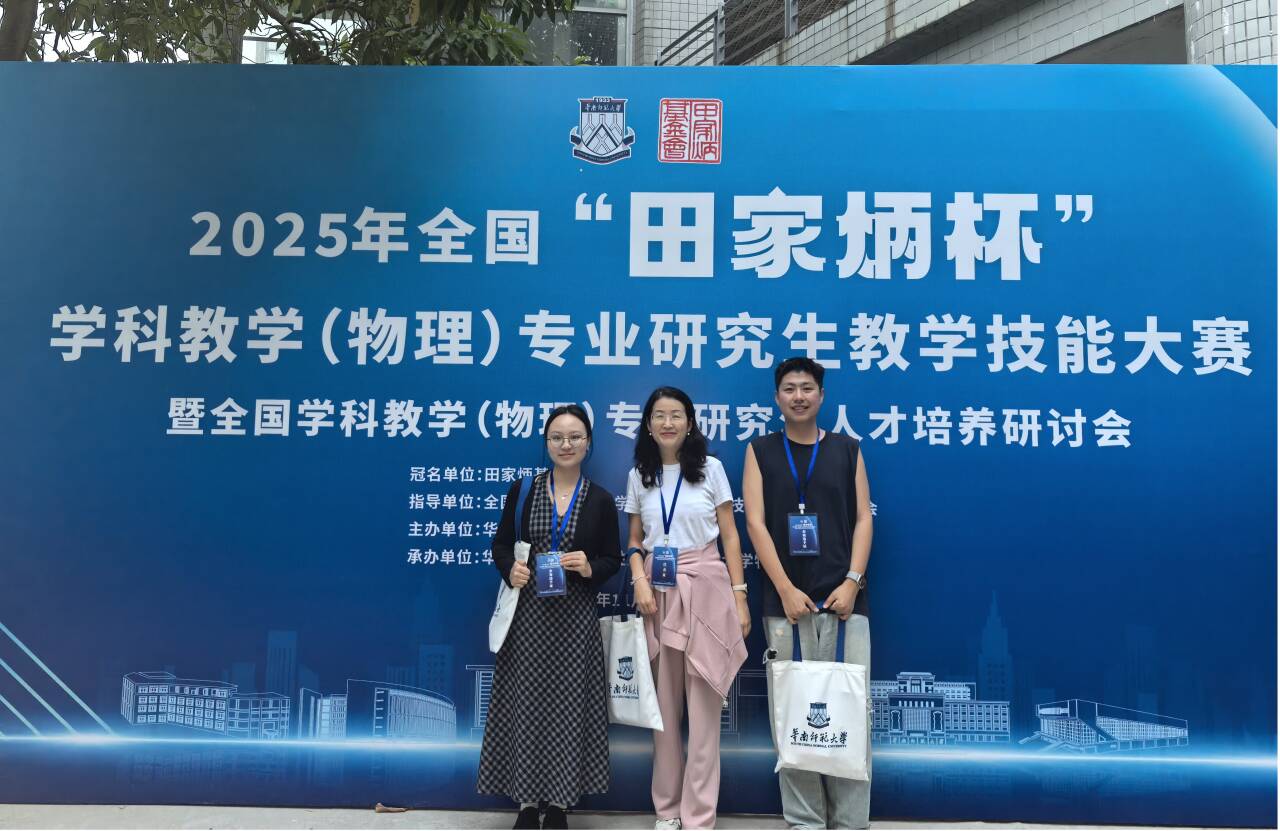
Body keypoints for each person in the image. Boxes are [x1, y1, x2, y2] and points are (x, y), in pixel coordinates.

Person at [742, 357, 874, 830]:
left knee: (850, 711)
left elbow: (864, 518)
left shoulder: (847, 449)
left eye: (807, 388)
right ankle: (805, 820)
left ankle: (851, 821)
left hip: (845, 603)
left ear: (821, 395)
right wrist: (784, 588)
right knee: (794, 713)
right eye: (789, 388)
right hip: (786, 604)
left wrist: (852, 581)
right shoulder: (760, 450)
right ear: (776, 397)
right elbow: (755, 523)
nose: (798, 396)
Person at [478, 404, 622, 830]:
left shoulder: (599, 499)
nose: (566, 444)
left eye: (575, 437)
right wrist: (511, 569)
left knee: (568, 710)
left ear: (588, 443)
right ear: (546, 443)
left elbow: (612, 559)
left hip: (575, 619)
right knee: (525, 707)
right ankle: (526, 804)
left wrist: (589, 566)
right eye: (557, 437)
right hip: (528, 617)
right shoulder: (524, 490)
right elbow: (500, 544)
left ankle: (559, 804)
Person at [624, 386, 750, 830]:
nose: (668, 423)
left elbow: (730, 535)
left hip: (707, 588)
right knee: (663, 710)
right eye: (659, 415)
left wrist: (739, 596)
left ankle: (699, 816)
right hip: (657, 594)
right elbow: (634, 540)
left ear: (690, 422)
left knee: (704, 714)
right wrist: (639, 579)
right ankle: (667, 810)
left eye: (676, 414)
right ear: (648, 424)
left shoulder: (711, 469)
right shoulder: (639, 475)